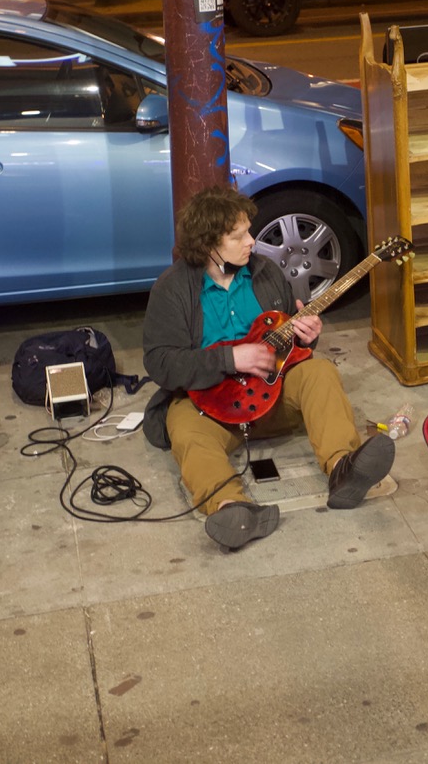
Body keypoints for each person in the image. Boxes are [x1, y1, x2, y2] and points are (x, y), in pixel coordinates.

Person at [141, 185, 394, 550]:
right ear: (208, 243)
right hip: (212, 408)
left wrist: (305, 337)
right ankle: (232, 507)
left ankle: (343, 469)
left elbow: (285, 340)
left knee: (318, 372)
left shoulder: (266, 273)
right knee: (182, 425)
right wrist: (231, 359)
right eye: (238, 235)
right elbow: (161, 363)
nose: (252, 242)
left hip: (271, 397)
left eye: (249, 231)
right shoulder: (172, 290)